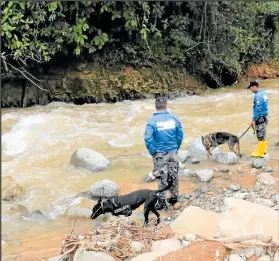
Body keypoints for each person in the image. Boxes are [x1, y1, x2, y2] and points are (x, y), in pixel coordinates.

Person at [144, 97, 184, 210]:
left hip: (159, 154)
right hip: (172, 151)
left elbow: (148, 139)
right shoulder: (174, 118)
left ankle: (161, 203)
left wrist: (152, 151)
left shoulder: (152, 121)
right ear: (166, 105)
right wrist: (177, 148)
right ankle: (174, 199)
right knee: (173, 175)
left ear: (156, 107)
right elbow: (180, 134)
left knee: (162, 177)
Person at [247, 81, 268, 157]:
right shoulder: (263, 92)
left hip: (260, 118)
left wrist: (253, 119)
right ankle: (263, 150)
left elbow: (257, 109)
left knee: (260, 135)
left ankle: (260, 153)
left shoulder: (258, 96)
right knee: (263, 134)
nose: (250, 90)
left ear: (254, 86)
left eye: (250, 88)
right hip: (265, 116)